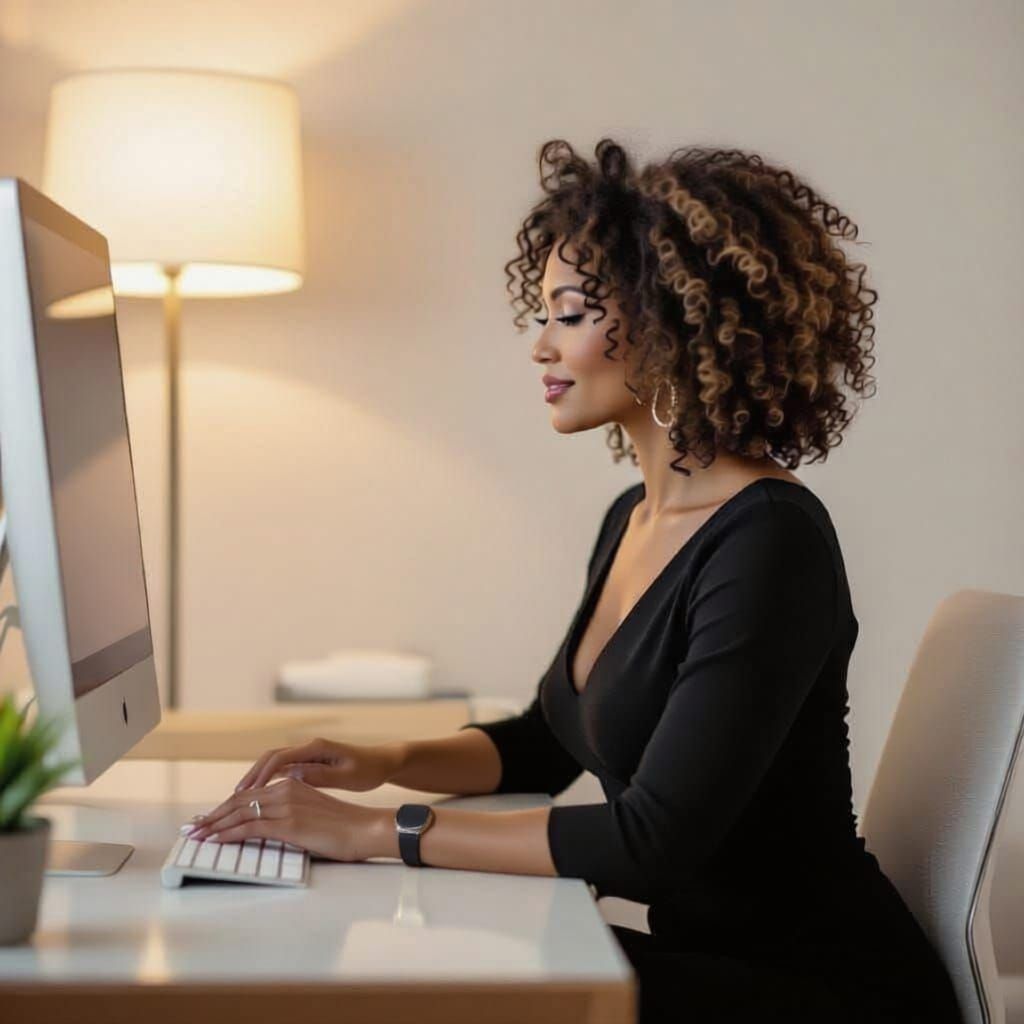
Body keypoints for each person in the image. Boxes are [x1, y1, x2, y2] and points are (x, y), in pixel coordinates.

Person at [187, 138, 963, 1024]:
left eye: (570, 313)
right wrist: (377, 763)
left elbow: (648, 844)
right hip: (707, 960)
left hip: (819, 992)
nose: (540, 345)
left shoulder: (770, 543)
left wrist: (374, 834)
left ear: (670, 320)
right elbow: (543, 745)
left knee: (418, 989)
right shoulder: (633, 516)